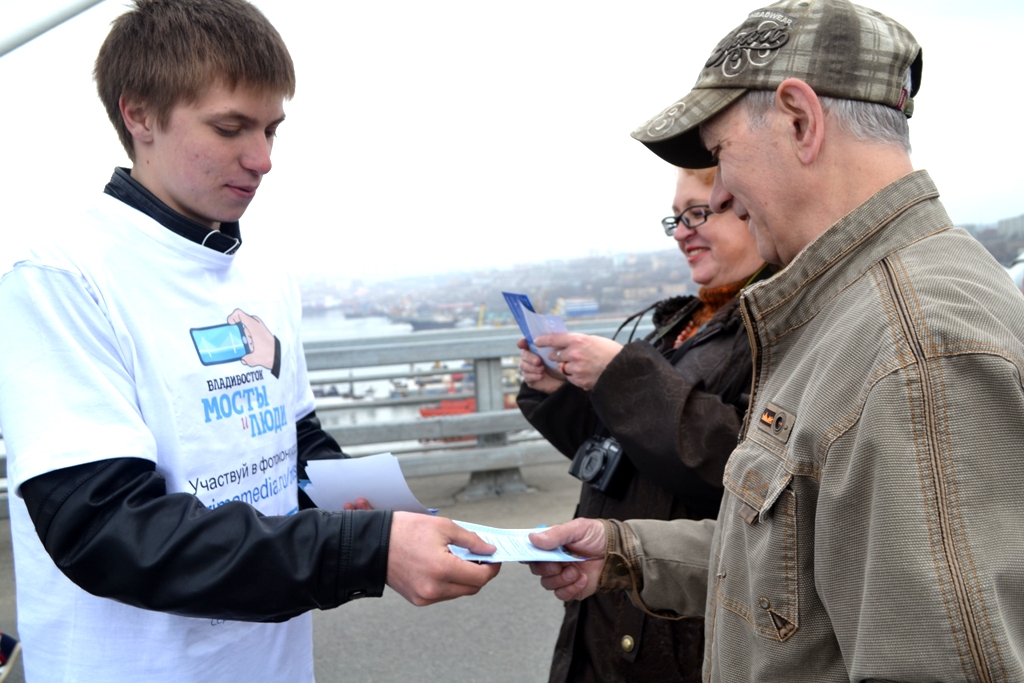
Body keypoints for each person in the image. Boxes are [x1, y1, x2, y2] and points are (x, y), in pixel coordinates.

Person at [0, 1, 498, 681]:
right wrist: (365, 549)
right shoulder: (60, 276)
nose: (262, 159)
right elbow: (107, 529)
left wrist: (391, 516)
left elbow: (295, 447)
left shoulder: (262, 272)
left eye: (271, 129)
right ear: (139, 115)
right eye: (230, 127)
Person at [528, 0, 1024, 680]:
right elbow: (801, 566)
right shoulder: (846, 316)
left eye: (720, 154)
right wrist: (629, 551)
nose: (724, 188)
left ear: (800, 120)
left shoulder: (914, 353)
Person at [516, 165, 772, 682]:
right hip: (610, 605)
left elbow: (742, 467)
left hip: (671, 623)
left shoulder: (774, 330)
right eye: (675, 220)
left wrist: (622, 377)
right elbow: (632, 455)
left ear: (750, 206)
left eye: (698, 213)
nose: (682, 233)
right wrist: (564, 393)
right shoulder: (681, 322)